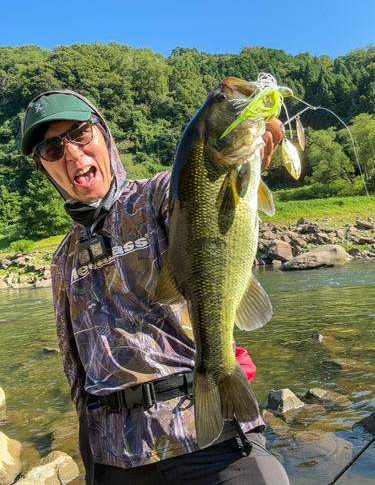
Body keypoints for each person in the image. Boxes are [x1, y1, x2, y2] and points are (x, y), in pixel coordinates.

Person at [21, 89, 290, 485]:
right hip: (115, 459)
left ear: (105, 137)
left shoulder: (161, 194)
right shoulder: (62, 258)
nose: (73, 154)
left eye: (80, 133)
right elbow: (74, 370)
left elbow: (209, 205)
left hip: (206, 439)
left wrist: (244, 165)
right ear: (44, 167)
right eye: (51, 147)